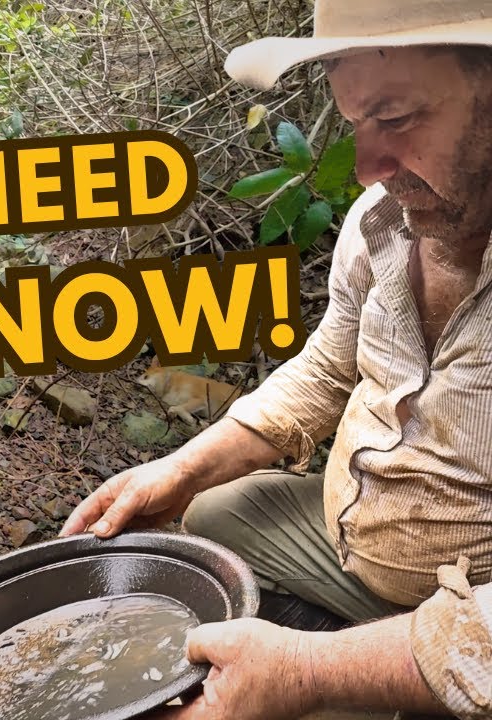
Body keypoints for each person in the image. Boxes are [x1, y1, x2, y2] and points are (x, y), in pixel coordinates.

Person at [60, 1, 492, 718]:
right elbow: (327, 367)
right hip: (351, 539)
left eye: (398, 117)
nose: (368, 168)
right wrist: (178, 469)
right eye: (357, 124)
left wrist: (307, 669)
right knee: (206, 513)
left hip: (473, 600)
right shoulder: (383, 218)